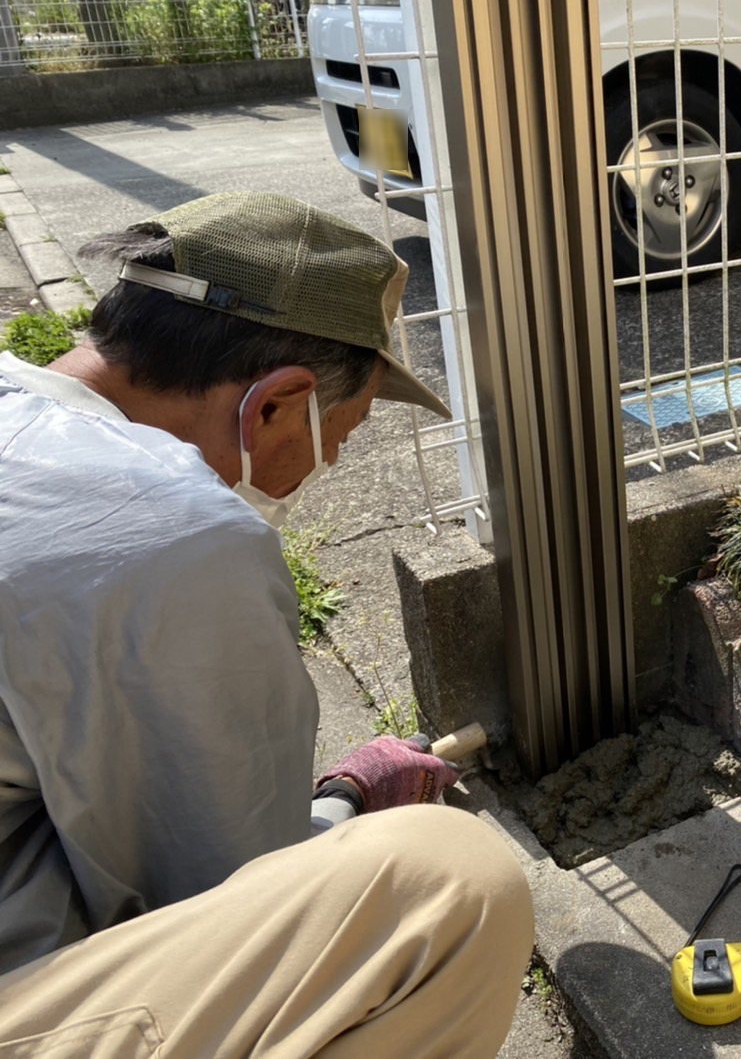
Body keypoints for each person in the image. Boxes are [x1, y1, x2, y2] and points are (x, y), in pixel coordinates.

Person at [0, 192, 533, 1055]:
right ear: (276, 405)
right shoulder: (165, 535)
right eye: (343, 436)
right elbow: (235, 895)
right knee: (447, 886)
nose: (328, 464)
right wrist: (348, 801)